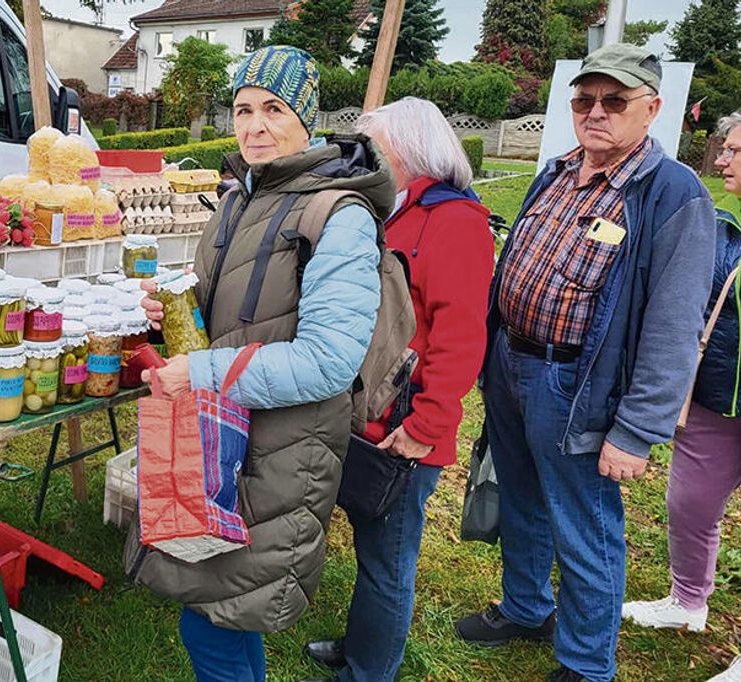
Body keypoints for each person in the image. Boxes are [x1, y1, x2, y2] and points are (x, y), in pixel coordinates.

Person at [124, 45, 394, 681]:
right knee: (223, 610)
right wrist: (178, 309)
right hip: (228, 431)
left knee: (215, 616)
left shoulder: (339, 214)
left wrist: (203, 373)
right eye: (243, 109)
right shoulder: (241, 197)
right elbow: (241, 308)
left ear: (307, 118)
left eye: (274, 109)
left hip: (283, 447)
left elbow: (328, 361)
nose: (254, 126)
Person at [454, 44, 717, 682]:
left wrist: (634, 431)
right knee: (519, 495)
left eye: (614, 100)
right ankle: (525, 607)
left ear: (651, 109)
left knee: (586, 525)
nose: (595, 112)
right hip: (513, 362)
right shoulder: (557, 170)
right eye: (584, 99)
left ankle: (585, 662)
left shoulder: (672, 194)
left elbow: (674, 326)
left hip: (579, 385)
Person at [302, 98, 494, 682]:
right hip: (368, 415)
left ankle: (369, 670)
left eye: (376, 145)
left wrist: (426, 427)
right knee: (370, 544)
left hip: (406, 426)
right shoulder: (393, 209)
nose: (366, 155)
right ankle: (361, 645)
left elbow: (461, 338)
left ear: (410, 151)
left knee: (388, 557)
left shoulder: (456, 221)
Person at [621, 111, 741, 680]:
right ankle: (688, 602)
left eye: (736, 151)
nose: (722, 160)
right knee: (688, 506)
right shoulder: (721, 224)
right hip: (718, 399)